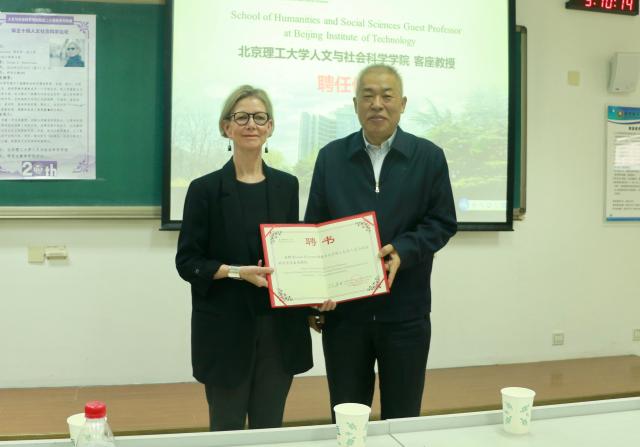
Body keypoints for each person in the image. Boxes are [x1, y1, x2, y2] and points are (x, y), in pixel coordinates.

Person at [305, 64, 457, 421]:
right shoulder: (331, 157)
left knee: (403, 418)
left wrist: (405, 249)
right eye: (368, 96)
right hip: (345, 318)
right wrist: (311, 301)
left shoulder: (429, 157)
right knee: (348, 417)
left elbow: (442, 222)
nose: (377, 104)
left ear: (402, 104)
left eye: (387, 96)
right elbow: (313, 231)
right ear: (355, 104)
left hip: (406, 314)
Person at [176, 85, 332, 431]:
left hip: (279, 330)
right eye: (242, 117)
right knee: (227, 429)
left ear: (270, 127)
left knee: (269, 427)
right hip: (225, 330)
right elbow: (187, 262)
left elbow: (292, 255)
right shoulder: (204, 189)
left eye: (260, 118)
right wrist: (235, 272)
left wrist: (313, 296)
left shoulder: (287, 185)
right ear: (226, 127)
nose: (251, 124)